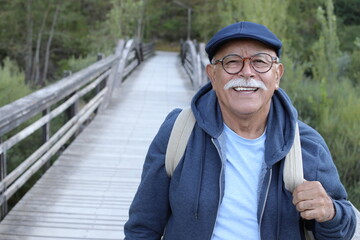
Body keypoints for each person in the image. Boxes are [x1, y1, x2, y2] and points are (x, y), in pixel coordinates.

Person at [124, 21, 356, 239]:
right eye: (232, 62)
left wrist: (330, 213)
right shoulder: (178, 131)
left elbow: (341, 231)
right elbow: (143, 227)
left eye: (260, 61)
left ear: (277, 75)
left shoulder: (305, 145)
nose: (247, 72)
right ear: (213, 75)